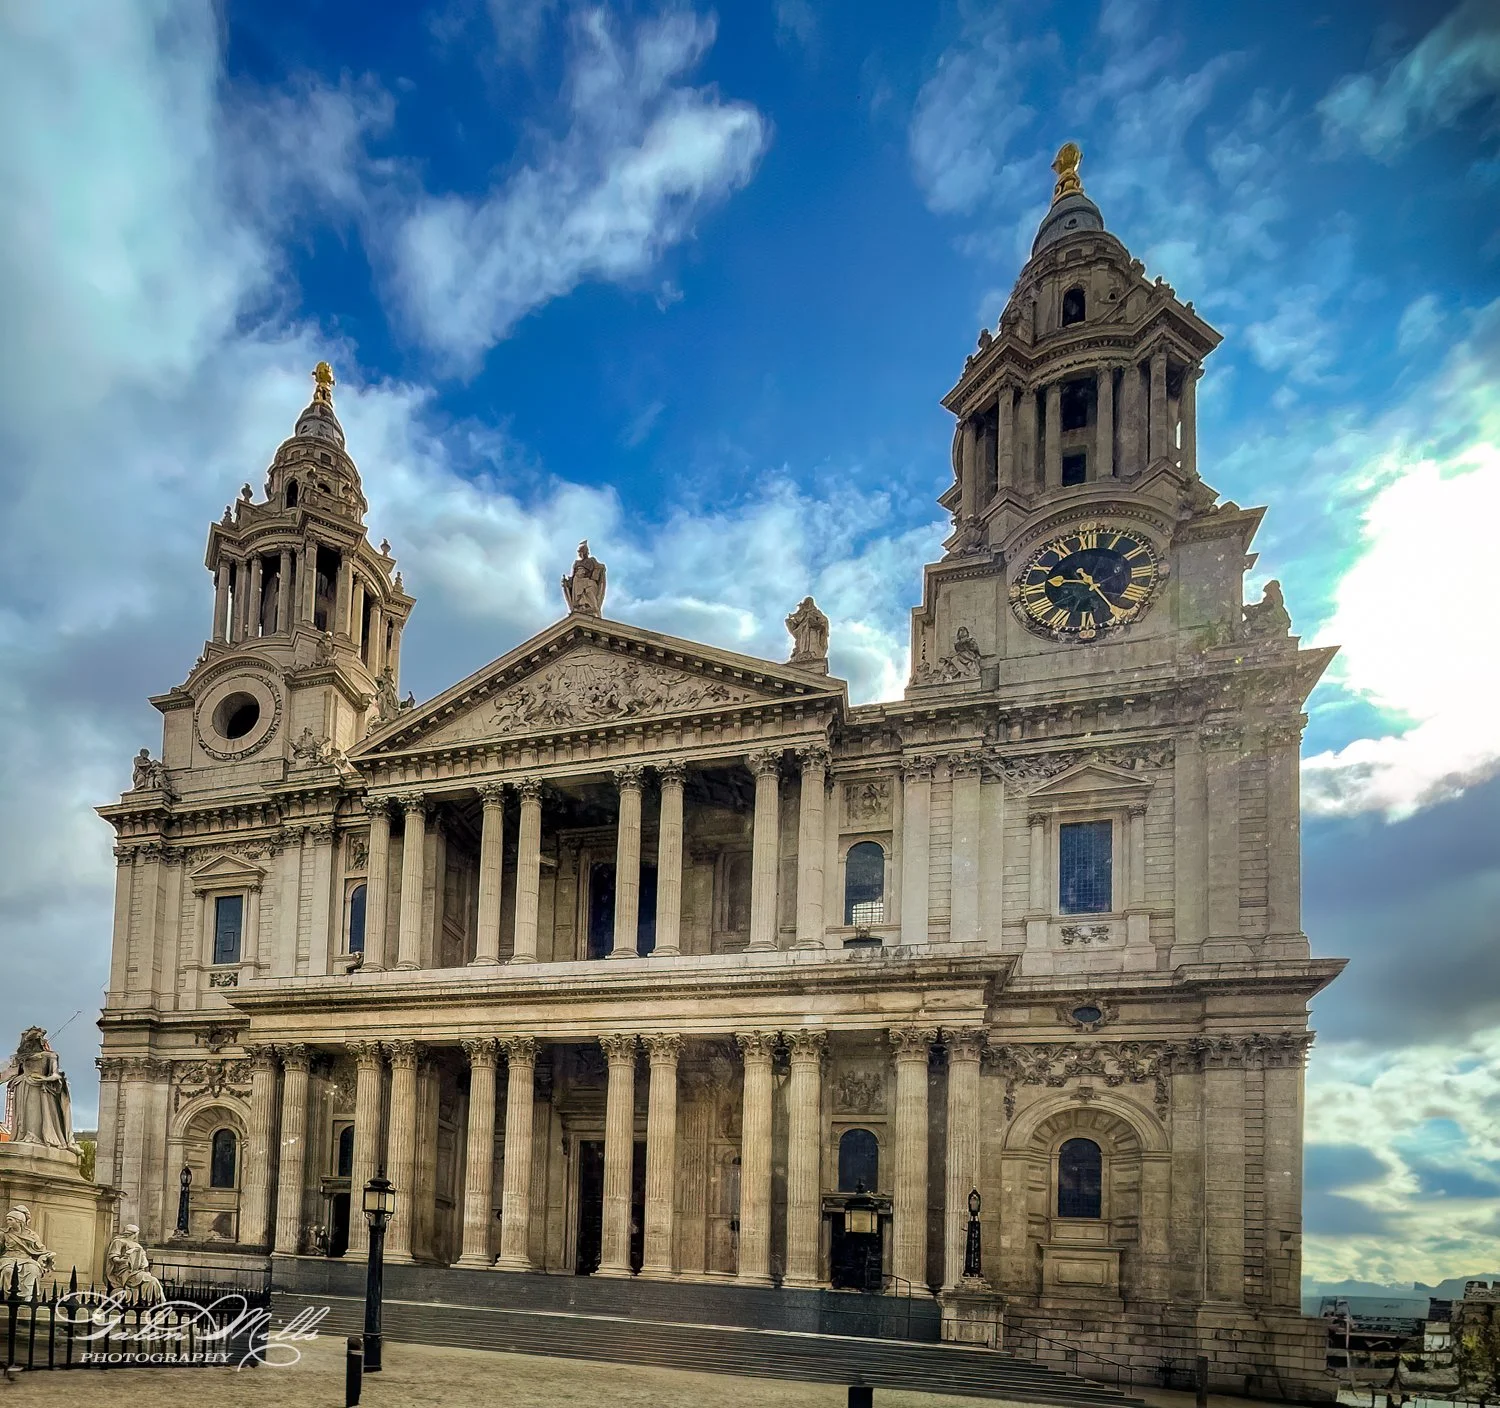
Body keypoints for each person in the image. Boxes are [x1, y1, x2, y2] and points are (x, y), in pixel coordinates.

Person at [2, 1028, 76, 1150]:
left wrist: (44, 1079)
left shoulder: (50, 1056)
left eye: (31, 1041)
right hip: (23, 1086)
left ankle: (35, 1136)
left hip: (39, 1088)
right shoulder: (22, 1058)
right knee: (23, 1115)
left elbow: (55, 1074)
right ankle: (24, 1135)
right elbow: (8, 1073)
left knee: (35, 1112)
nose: (28, 1045)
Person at [0, 1207, 54, 1299]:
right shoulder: (4, 1233)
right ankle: (9, 1297)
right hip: (8, 1258)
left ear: (18, 1221)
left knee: (33, 1269)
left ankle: (28, 1297)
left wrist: (46, 1256)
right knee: (8, 1271)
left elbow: (40, 1249)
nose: (7, 1222)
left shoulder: (31, 1235)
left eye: (10, 1219)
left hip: (26, 1259)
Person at [105, 1225, 164, 1304]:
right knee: (152, 1280)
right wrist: (123, 1260)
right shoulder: (119, 1241)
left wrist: (142, 1262)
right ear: (134, 1233)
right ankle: (157, 1301)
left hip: (137, 1271)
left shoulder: (138, 1245)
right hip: (125, 1271)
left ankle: (152, 1302)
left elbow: (144, 1262)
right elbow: (113, 1257)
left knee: (152, 1281)